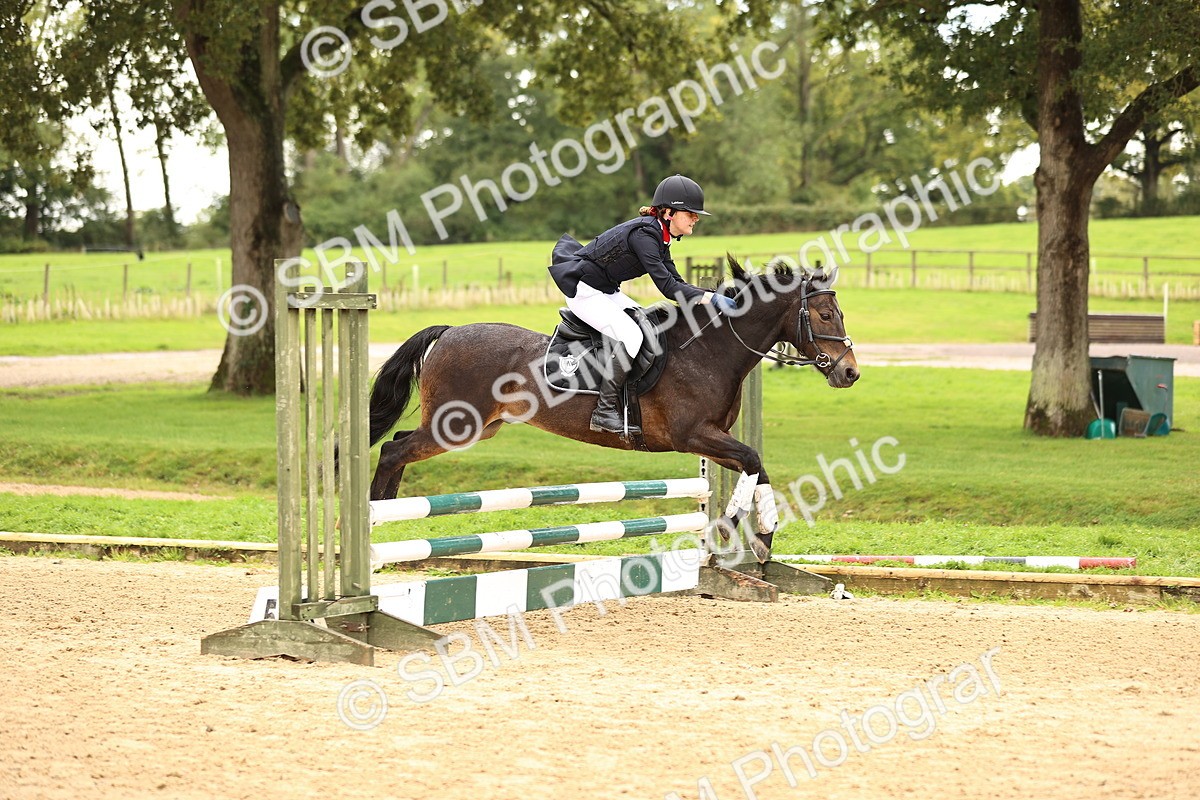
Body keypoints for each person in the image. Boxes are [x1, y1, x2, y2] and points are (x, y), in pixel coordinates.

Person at [548, 174, 736, 435]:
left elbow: (676, 281)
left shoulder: (660, 236)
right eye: (690, 212)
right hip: (585, 291)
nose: (696, 218)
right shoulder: (645, 236)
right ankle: (603, 412)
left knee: (646, 324)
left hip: (606, 290)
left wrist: (708, 296)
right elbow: (668, 288)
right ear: (669, 213)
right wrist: (712, 298)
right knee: (632, 336)